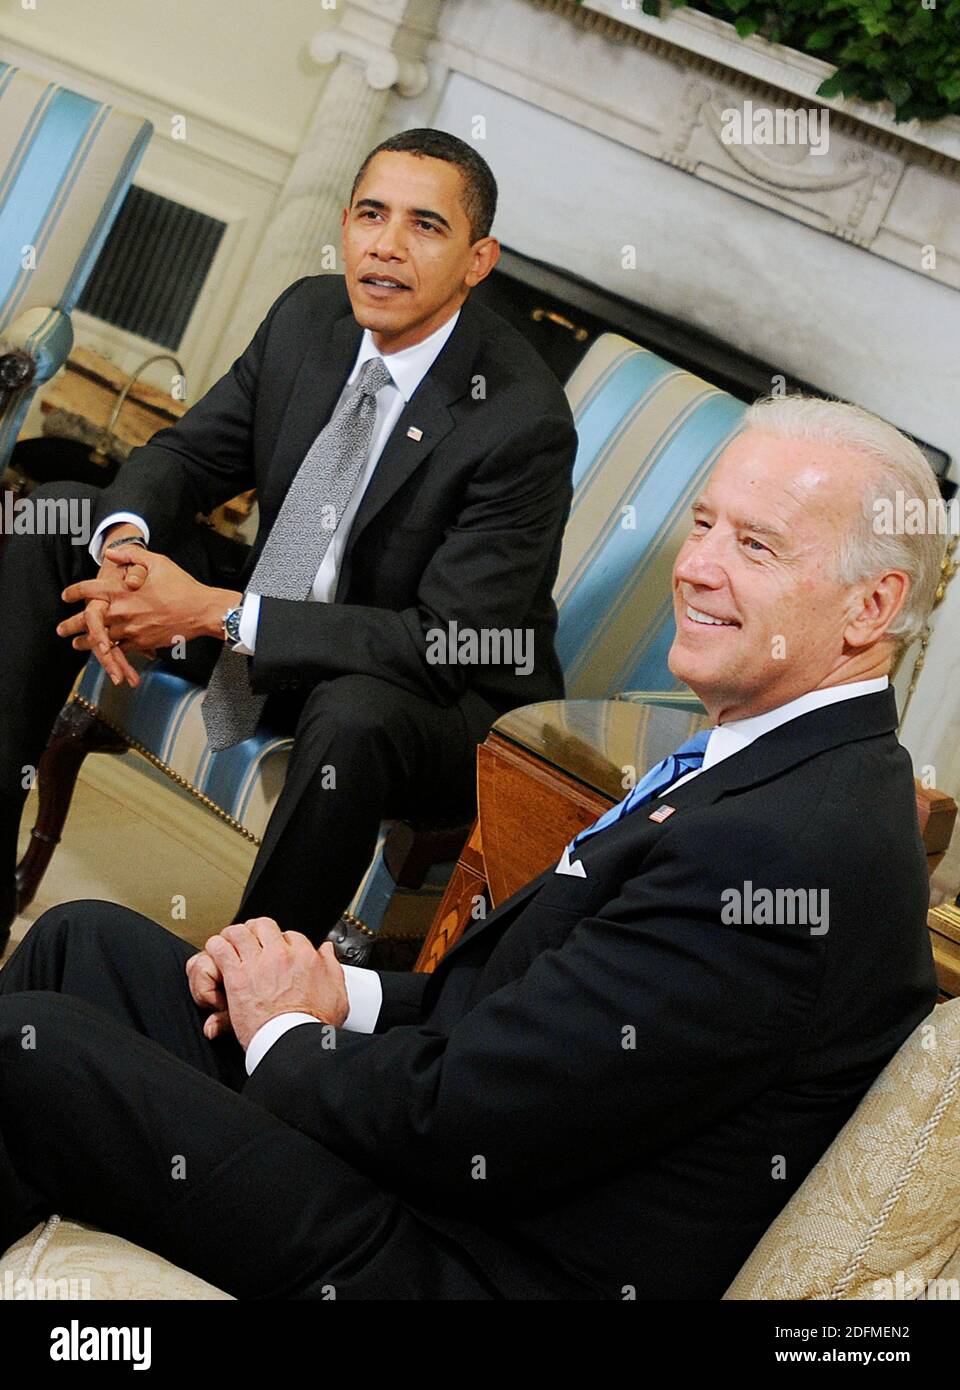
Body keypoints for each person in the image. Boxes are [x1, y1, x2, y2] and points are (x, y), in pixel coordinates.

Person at [0, 395, 945, 1299]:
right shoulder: (782, 767)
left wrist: (285, 1030)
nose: (698, 566)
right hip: (463, 1178)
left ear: (871, 609)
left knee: (28, 1054)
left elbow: (466, 1123)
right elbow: (535, 1026)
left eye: (755, 545)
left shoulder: (782, 849)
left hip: (466, 1261)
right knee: (81, 943)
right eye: (702, 525)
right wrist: (342, 993)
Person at [0, 128, 577, 952]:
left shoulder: (519, 419)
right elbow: (191, 455)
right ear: (345, 223)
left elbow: (443, 640)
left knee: (354, 712)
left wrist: (215, 614)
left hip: (433, 693)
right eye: (372, 215)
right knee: (61, 516)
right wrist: (125, 555)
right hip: (284, 621)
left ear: (478, 260)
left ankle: (247, 1003)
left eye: (425, 226)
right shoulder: (311, 315)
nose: (386, 245)